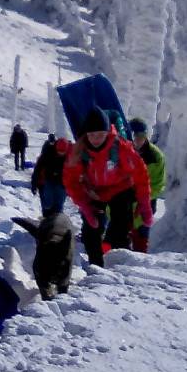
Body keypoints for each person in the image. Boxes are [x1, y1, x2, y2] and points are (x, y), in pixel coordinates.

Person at [64, 110, 152, 268]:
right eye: (91, 135)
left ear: (107, 132)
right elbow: (70, 181)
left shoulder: (121, 148)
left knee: (121, 228)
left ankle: (121, 266)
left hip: (121, 189)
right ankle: (96, 267)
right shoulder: (79, 151)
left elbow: (140, 173)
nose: (95, 139)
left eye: (100, 134)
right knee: (91, 232)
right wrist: (84, 205)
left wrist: (144, 203)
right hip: (95, 192)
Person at [126, 117, 166, 253]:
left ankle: (139, 260)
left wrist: (141, 197)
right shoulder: (121, 152)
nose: (138, 139)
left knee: (141, 237)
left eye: (141, 136)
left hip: (146, 203)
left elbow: (158, 184)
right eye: (135, 135)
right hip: (124, 202)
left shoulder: (155, 156)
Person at [30, 132, 70, 216]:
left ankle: (57, 222)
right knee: (47, 205)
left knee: (58, 206)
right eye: (59, 151)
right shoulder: (48, 153)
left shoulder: (70, 155)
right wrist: (34, 183)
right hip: (49, 181)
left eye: (63, 152)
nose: (60, 153)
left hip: (62, 183)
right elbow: (38, 168)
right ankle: (46, 219)